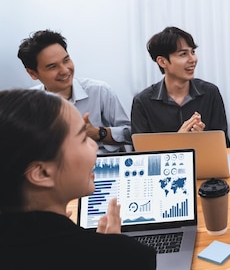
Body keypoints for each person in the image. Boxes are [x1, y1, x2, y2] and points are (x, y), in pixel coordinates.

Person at [0, 89, 156, 269]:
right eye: (83, 139)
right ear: (42, 173)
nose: (94, 147)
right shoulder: (129, 257)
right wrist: (110, 252)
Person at [17, 29, 132, 153]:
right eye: (52, 66)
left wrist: (99, 133)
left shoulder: (100, 91)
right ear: (32, 73)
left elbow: (132, 134)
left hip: (100, 165)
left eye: (66, 60)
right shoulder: (27, 104)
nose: (65, 70)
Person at [131, 26, 230, 147]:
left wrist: (202, 138)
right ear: (162, 62)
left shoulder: (210, 93)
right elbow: (143, 154)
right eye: (183, 54)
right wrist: (179, 140)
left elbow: (224, 144)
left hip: (205, 164)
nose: (192, 59)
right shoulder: (142, 102)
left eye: (193, 52)